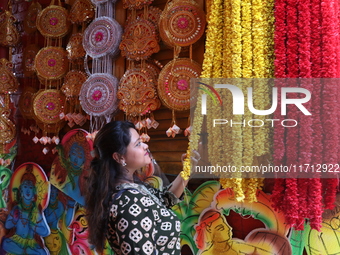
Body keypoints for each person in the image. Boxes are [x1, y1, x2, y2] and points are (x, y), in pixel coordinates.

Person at [85, 120, 197, 254]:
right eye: (138, 144)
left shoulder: (134, 188)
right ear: (119, 157)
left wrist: (187, 171)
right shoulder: (128, 201)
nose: (145, 146)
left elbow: (166, 200)